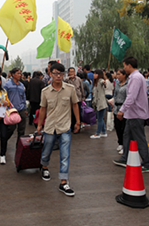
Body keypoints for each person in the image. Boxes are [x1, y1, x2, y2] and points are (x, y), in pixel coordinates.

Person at [37, 62, 80, 197]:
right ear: (50, 74)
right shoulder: (45, 91)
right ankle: (44, 166)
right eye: (55, 73)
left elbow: (75, 105)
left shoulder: (70, 89)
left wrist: (78, 122)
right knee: (47, 149)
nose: (58, 76)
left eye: (61, 74)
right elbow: (42, 109)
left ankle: (63, 182)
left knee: (65, 154)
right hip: (50, 126)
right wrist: (39, 125)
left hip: (65, 126)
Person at [113, 56, 149, 173]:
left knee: (139, 139)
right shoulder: (136, 77)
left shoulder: (135, 78)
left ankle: (147, 163)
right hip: (132, 115)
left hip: (136, 114)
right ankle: (125, 158)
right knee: (127, 136)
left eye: (125, 65)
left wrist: (122, 110)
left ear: (129, 65)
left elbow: (131, 97)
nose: (124, 68)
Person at [4, 68, 27, 145]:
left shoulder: (21, 85)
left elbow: (24, 98)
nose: (20, 75)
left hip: (21, 109)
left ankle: (19, 146)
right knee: (11, 128)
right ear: (13, 74)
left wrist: (25, 109)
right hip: (11, 110)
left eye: (20, 73)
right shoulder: (7, 85)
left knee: (22, 130)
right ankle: (3, 141)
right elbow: (4, 96)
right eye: (18, 73)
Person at [113, 69, 128, 155]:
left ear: (124, 75)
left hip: (124, 108)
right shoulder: (117, 84)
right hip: (116, 107)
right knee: (117, 127)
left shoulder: (128, 84)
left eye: (119, 74)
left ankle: (125, 145)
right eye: (117, 74)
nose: (117, 76)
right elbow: (115, 95)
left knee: (124, 128)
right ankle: (120, 143)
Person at [64, 67, 84, 132]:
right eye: (71, 72)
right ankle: (72, 127)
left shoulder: (78, 79)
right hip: (70, 99)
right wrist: (69, 77)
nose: (72, 73)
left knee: (78, 113)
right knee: (71, 114)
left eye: (73, 71)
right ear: (68, 73)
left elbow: (81, 88)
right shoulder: (67, 80)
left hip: (78, 98)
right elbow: (64, 81)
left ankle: (78, 126)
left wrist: (83, 97)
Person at [90, 70, 107, 139]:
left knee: (100, 118)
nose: (94, 75)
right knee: (100, 118)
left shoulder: (100, 81)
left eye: (95, 73)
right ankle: (104, 132)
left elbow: (102, 81)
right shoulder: (95, 83)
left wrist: (103, 82)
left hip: (101, 103)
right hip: (99, 103)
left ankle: (98, 133)